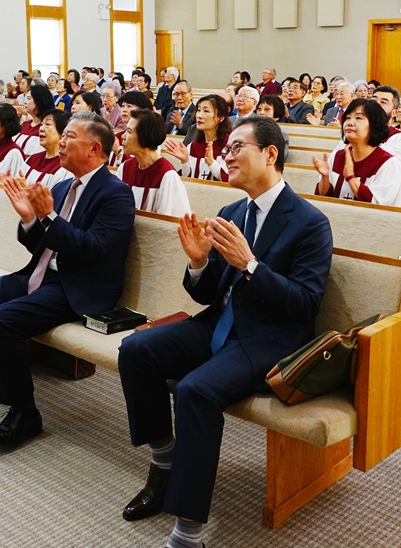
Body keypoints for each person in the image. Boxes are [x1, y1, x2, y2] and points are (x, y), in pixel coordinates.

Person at [117, 116, 332, 548]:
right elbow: (208, 294)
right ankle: (164, 461)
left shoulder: (310, 222)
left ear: (270, 154)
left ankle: (187, 532)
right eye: (227, 148)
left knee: (195, 391)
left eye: (237, 148)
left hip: (268, 338)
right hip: (220, 323)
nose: (226, 156)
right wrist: (199, 262)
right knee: (135, 350)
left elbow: (305, 304)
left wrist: (251, 266)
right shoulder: (232, 213)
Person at [0, 112, 135, 451]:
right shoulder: (61, 187)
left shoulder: (116, 194)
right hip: (39, 274)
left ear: (94, 148)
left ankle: (24, 414)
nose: (62, 142)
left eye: (70, 137)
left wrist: (48, 216)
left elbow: (93, 250)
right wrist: (31, 219)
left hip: (78, 288)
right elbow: (39, 245)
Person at [312, 99, 401, 206]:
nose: (350, 123)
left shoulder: (389, 164)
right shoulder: (338, 156)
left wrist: (350, 177)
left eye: (358, 118)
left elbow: (379, 206)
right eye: (348, 118)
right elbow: (324, 198)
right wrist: (325, 177)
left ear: (375, 125)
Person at [116, 109, 190, 218]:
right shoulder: (125, 168)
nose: (123, 136)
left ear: (145, 136)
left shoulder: (167, 176)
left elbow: (168, 223)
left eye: (129, 132)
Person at [164, 94, 230, 182]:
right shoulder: (193, 146)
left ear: (221, 118)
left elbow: (231, 180)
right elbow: (189, 180)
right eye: (198, 110)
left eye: (206, 111)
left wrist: (211, 163)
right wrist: (185, 161)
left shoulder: (229, 145)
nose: (199, 115)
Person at [370, 85, 401, 174]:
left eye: (383, 102)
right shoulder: (354, 133)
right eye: (373, 100)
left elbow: (395, 172)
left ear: (394, 112)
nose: (375, 105)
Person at [19, 110, 72, 189]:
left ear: (62, 134)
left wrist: (27, 190)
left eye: (47, 124)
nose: (41, 129)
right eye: (41, 124)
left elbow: (55, 195)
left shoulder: (64, 168)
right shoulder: (32, 159)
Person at [15, 85, 54, 158]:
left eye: (29, 99)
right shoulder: (24, 124)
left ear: (39, 101)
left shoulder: (47, 129)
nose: (25, 102)